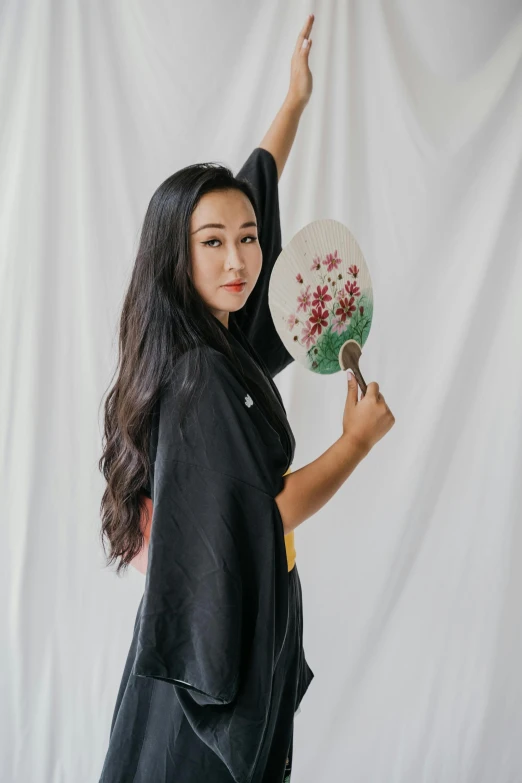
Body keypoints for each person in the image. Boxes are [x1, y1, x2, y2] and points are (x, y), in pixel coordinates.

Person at [97, 14, 394, 783]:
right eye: (213, 241)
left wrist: (293, 103)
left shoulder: (216, 338)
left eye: (249, 236)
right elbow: (268, 511)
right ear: (177, 252)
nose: (240, 258)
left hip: (226, 624)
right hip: (210, 660)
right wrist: (355, 443)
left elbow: (248, 186)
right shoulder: (200, 378)